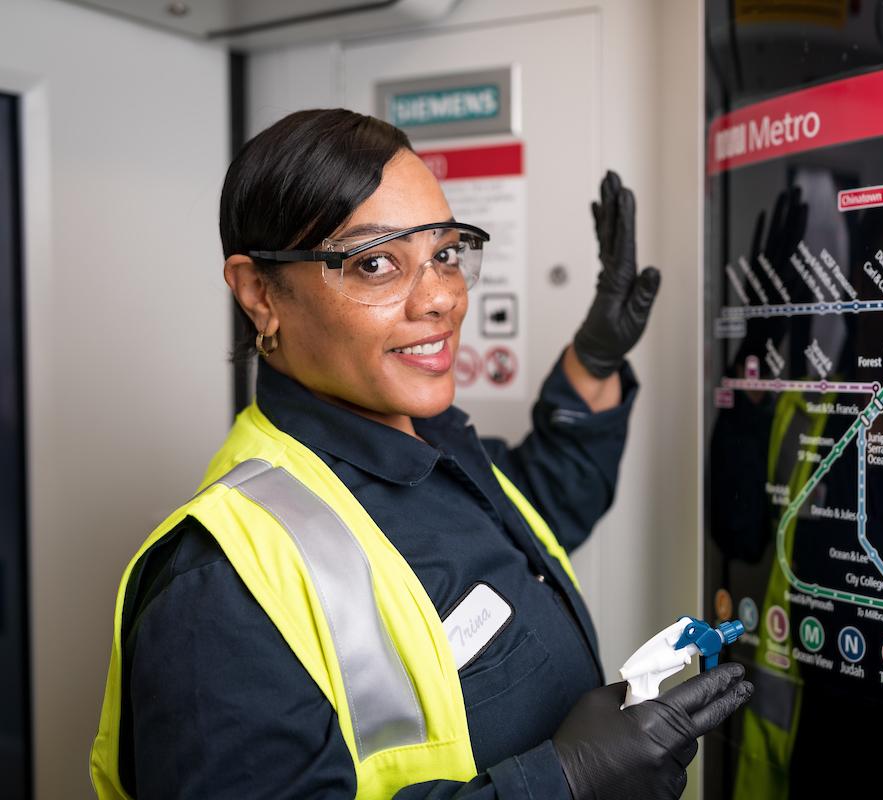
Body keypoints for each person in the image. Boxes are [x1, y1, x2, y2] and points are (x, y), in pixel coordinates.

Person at [89, 108, 752, 800]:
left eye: (444, 254)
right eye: (376, 263)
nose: (442, 298)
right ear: (260, 293)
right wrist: (564, 783)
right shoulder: (217, 594)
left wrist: (595, 358)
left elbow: (542, 508)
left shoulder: (431, 444)